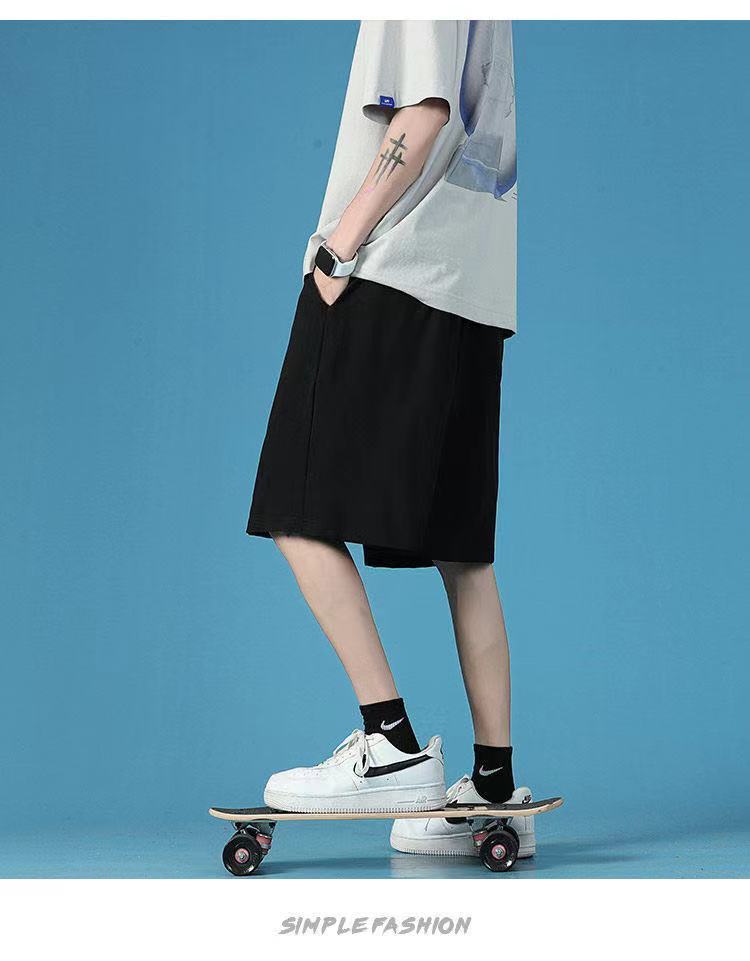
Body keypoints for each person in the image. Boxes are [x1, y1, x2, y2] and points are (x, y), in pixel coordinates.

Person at [246, 20, 535, 859]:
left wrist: (338, 247)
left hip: (390, 271)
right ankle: (493, 786)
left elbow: (424, 112)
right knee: (460, 546)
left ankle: (391, 742)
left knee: (293, 505)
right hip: (474, 289)